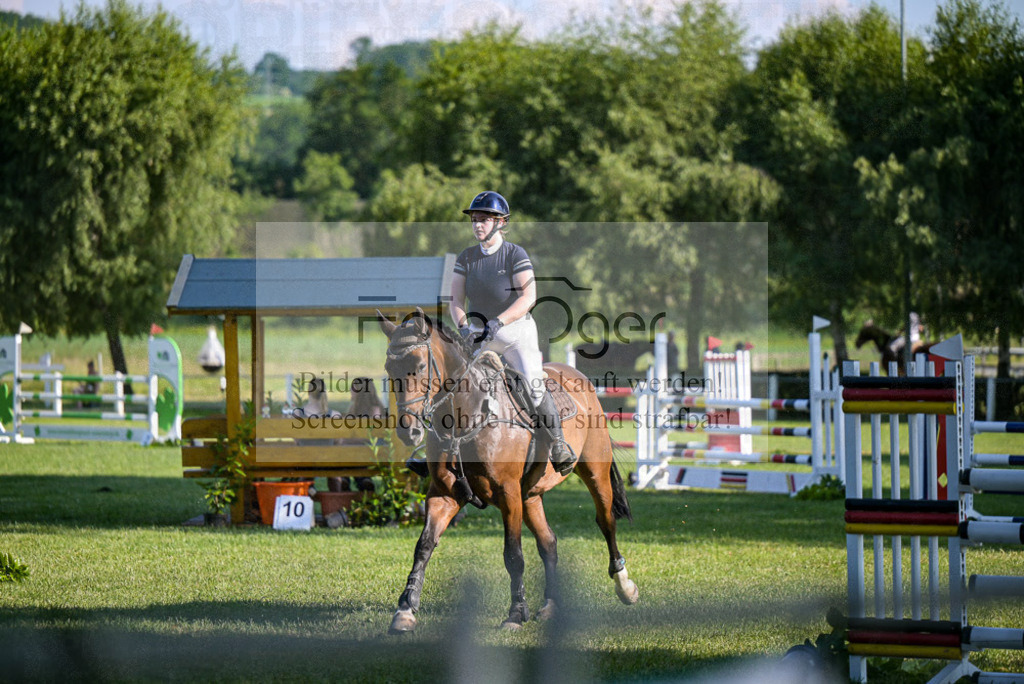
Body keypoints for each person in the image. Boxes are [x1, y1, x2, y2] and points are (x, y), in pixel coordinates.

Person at [440, 190, 574, 475]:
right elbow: (455, 300)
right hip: (478, 335)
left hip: (515, 333)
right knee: (452, 384)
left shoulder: (515, 254)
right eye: (475, 219)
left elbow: (528, 297)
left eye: (484, 220)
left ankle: (559, 444)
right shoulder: (466, 257)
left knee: (534, 385)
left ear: (501, 222)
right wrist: (464, 327)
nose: (478, 225)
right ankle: (433, 452)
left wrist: (499, 321)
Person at [328, 376, 384, 493]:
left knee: (343, 450)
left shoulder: (369, 410)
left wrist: (343, 440)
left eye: (352, 388)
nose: (350, 391)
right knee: (348, 450)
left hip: (369, 452)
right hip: (370, 453)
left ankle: (346, 480)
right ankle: (362, 479)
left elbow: (368, 437)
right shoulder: (376, 409)